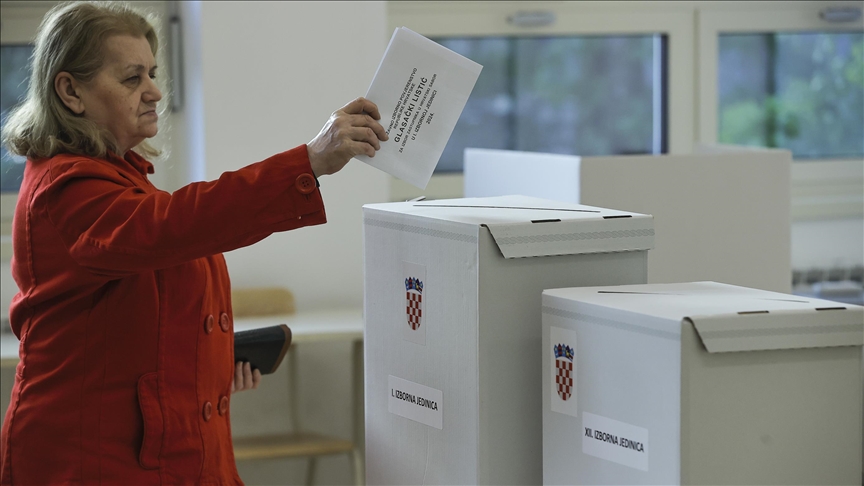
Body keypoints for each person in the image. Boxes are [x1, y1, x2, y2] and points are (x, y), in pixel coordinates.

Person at [0, 1, 387, 484]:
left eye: (152, 73)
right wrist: (306, 162)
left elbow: (140, 317)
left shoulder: (119, 178)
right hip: (93, 462)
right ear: (70, 91)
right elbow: (176, 225)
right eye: (132, 78)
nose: (154, 91)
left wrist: (210, 362)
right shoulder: (65, 189)